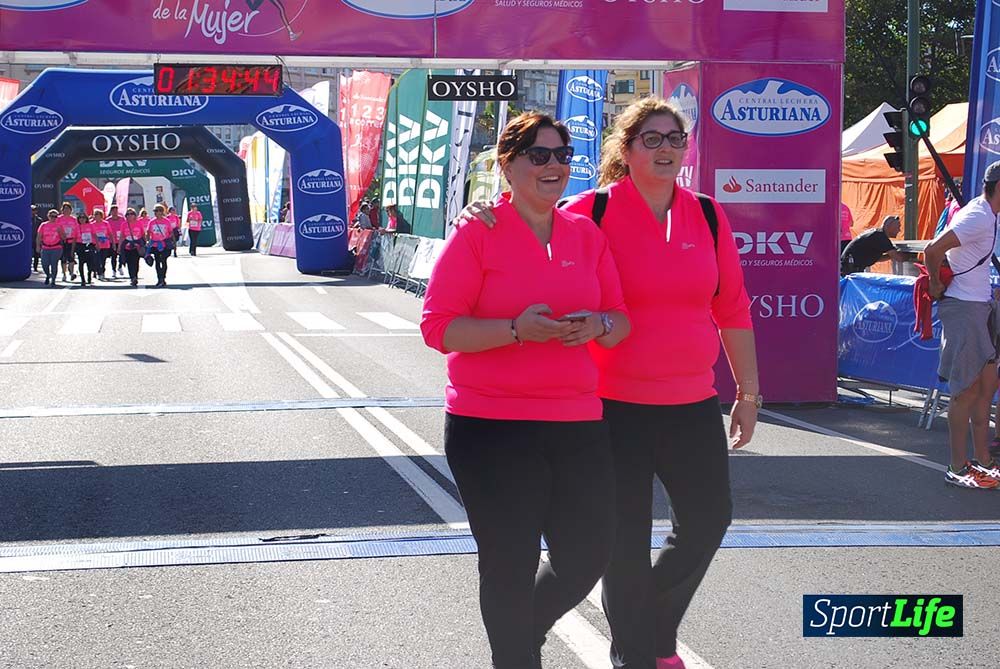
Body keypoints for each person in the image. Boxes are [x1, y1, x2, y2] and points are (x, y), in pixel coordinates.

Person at [460, 98, 760, 669]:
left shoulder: (710, 215)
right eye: (652, 138)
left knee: (707, 523)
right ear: (626, 149)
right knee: (622, 544)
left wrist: (748, 392)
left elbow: (735, 309)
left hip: (693, 401)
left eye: (675, 138)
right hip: (609, 407)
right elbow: (528, 212)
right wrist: (483, 213)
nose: (667, 147)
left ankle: (631, 630)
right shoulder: (589, 211)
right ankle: (639, 654)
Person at [421, 112, 632, 669]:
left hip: (578, 421)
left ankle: (519, 633)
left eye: (562, 155)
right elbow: (438, 327)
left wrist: (599, 326)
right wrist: (516, 330)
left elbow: (621, 317)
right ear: (508, 166)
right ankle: (515, 653)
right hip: (490, 428)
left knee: (589, 553)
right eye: (539, 156)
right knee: (508, 563)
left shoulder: (586, 235)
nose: (555, 165)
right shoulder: (478, 231)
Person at [925, 160, 1000, 489]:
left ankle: (984, 463)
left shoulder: (988, 214)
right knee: (966, 391)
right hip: (964, 308)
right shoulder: (978, 216)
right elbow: (933, 248)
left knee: (986, 389)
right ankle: (957, 467)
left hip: (980, 306)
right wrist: (934, 285)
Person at [839, 215, 904, 275]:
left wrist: (891, 255)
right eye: (898, 227)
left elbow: (878, 258)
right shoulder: (880, 237)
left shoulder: (877, 234)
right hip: (850, 270)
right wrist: (911, 256)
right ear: (889, 226)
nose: (899, 230)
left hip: (847, 268)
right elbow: (899, 258)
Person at [35, 209, 65, 287]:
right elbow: (39, 236)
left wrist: (60, 232)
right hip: (45, 247)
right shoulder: (43, 225)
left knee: (54, 264)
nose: (53, 218)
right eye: (52, 216)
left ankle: (53, 280)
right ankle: (48, 275)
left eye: (55, 216)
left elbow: (64, 237)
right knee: (44, 264)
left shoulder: (59, 225)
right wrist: (38, 246)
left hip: (56, 247)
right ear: (48, 216)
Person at [146, 204, 173, 288]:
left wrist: (172, 242)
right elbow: (148, 232)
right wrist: (147, 241)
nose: (157, 213)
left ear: (162, 212)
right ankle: (159, 279)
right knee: (157, 261)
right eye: (155, 211)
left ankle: (163, 277)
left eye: (159, 211)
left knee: (163, 260)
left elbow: (170, 232)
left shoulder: (166, 221)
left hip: (164, 244)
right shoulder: (152, 221)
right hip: (155, 244)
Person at [119, 208, 145, 288]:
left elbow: (143, 234)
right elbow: (122, 236)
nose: (130, 216)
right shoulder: (124, 224)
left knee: (135, 262)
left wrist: (144, 244)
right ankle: (132, 277)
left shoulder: (139, 223)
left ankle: (135, 276)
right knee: (129, 263)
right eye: (128, 214)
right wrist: (119, 247)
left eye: (131, 214)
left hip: (136, 246)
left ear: (135, 215)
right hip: (127, 246)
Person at [55, 202, 78, 282]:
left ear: (71, 210)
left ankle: (71, 273)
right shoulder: (59, 219)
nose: (67, 211)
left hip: (71, 240)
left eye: (68, 209)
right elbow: (56, 228)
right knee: (63, 258)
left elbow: (76, 230)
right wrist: (61, 235)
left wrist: (76, 239)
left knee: (71, 257)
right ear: (62, 210)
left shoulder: (74, 219)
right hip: (62, 240)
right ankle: (64, 274)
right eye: (65, 209)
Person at [90, 209, 113, 281]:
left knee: (103, 260)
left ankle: (102, 271)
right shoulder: (92, 224)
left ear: (101, 216)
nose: (97, 216)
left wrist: (113, 243)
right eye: (95, 215)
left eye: (98, 215)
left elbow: (110, 233)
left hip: (105, 244)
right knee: (96, 259)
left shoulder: (106, 223)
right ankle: (98, 272)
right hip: (95, 244)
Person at [75, 213, 96, 287]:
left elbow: (94, 235)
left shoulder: (90, 225)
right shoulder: (77, 227)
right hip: (80, 245)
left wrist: (97, 244)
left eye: (83, 217)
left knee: (90, 263)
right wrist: (73, 249)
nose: (82, 219)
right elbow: (74, 238)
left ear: (86, 218)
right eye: (80, 218)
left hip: (90, 244)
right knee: (81, 263)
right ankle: (82, 279)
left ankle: (89, 275)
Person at [106, 205, 126, 279]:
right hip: (112, 241)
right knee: (113, 256)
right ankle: (113, 270)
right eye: (113, 211)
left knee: (122, 255)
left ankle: (120, 266)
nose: (115, 212)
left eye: (116, 211)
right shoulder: (108, 220)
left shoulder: (122, 219)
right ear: (111, 212)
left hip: (121, 240)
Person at [31, 205, 43, 273]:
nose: (32, 211)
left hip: (36, 239)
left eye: (33, 210)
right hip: (28, 239)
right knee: (28, 254)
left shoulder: (39, 220)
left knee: (36, 254)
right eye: (31, 210)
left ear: (36, 211)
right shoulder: (25, 218)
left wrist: (40, 239)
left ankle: (35, 267)